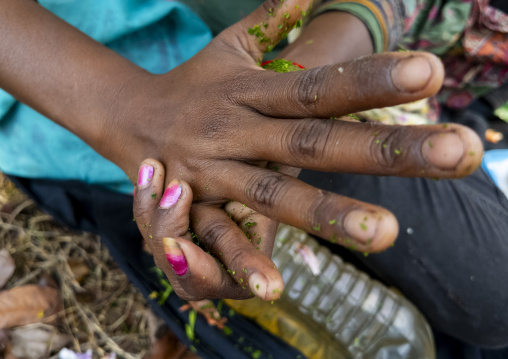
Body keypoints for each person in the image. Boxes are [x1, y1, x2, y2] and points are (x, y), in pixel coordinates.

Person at [0, 0, 503, 358]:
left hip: (282, 62)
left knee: (488, 296)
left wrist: (291, 88)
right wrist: (127, 111)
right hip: (69, 97)